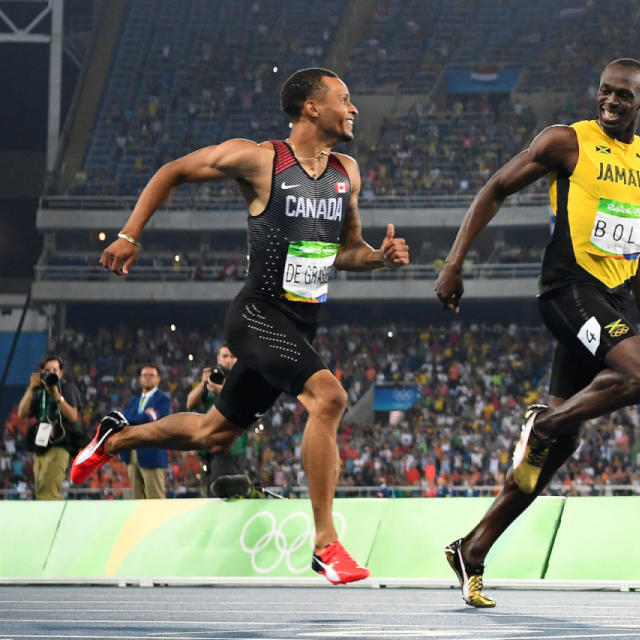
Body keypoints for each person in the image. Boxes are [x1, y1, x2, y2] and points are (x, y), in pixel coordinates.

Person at [71, 67, 409, 584]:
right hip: (257, 315)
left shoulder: (348, 173)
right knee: (331, 399)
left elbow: (346, 252)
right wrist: (130, 234)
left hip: (301, 322)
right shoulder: (262, 159)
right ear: (312, 108)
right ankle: (325, 545)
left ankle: (114, 439)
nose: (354, 108)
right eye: (345, 98)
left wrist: (379, 258)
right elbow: (173, 170)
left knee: (213, 433)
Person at [435, 58, 640, 607]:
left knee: (559, 449)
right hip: (568, 291)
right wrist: (454, 263)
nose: (610, 103)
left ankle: (473, 546)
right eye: (604, 92)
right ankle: (544, 422)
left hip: (610, 299)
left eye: (623, 97)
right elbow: (496, 187)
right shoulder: (566, 142)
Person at [186, 344, 252, 498]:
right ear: (218, 359)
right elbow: (190, 403)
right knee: (213, 493)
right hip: (210, 446)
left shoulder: (245, 379)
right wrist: (203, 383)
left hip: (231, 446)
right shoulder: (213, 380)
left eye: (232, 356)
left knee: (228, 495)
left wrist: (219, 391)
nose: (229, 360)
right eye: (225, 356)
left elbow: (243, 405)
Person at [17, 355, 82, 500]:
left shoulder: (67, 388)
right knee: (41, 491)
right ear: (42, 373)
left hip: (60, 444)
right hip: (41, 444)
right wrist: (31, 388)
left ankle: (56, 522)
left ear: (61, 372)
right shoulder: (40, 392)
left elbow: (72, 415)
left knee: (49, 492)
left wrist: (56, 394)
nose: (52, 372)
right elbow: (21, 413)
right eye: (48, 370)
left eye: (55, 369)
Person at [118, 364, 171, 499]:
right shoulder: (135, 400)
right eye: (144, 375)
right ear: (140, 379)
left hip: (152, 454)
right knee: (137, 501)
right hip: (132, 454)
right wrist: (141, 418)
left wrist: (132, 420)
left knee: (155, 500)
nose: (147, 379)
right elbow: (124, 420)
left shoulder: (163, 399)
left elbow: (150, 420)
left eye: (151, 376)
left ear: (158, 379)